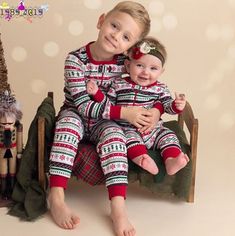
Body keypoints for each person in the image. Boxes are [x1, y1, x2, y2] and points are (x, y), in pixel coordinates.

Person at [48, 2, 161, 236]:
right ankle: (56, 196)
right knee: (67, 126)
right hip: (76, 113)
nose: (116, 36)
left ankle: (118, 208)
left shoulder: (126, 64)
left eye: (126, 36)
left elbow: (149, 86)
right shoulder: (75, 60)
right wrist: (124, 113)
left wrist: (157, 111)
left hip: (105, 122)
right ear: (101, 21)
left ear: (132, 46)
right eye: (114, 25)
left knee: (115, 135)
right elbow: (83, 105)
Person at [87, 36, 189, 176]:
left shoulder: (160, 88)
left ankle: (171, 161)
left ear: (161, 72)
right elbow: (108, 106)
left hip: (153, 130)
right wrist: (97, 93)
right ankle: (142, 158)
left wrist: (176, 105)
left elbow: (166, 106)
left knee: (168, 136)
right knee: (129, 141)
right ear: (128, 65)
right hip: (127, 129)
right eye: (140, 65)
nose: (145, 72)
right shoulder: (118, 84)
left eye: (153, 68)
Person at [0, 90, 23, 200]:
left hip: (13, 151)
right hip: (2, 152)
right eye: (3, 123)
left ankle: (13, 189)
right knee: (3, 170)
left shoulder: (17, 128)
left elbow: (19, 140)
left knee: (13, 170)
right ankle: (4, 191)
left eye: (10, 123)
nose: (7, 125)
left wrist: (19, 152)